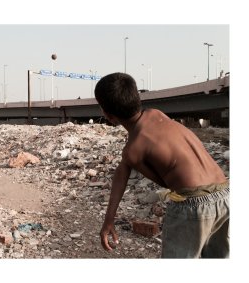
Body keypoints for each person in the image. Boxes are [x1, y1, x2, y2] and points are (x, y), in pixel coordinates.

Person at [94, 72, 229, 258]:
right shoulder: (155, 113)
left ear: (108, 115)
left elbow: (165, 183)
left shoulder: (133, 149)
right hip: (225, 194)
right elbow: (123, 168)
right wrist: (110, 216)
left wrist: (108, 220)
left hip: (192, 204)